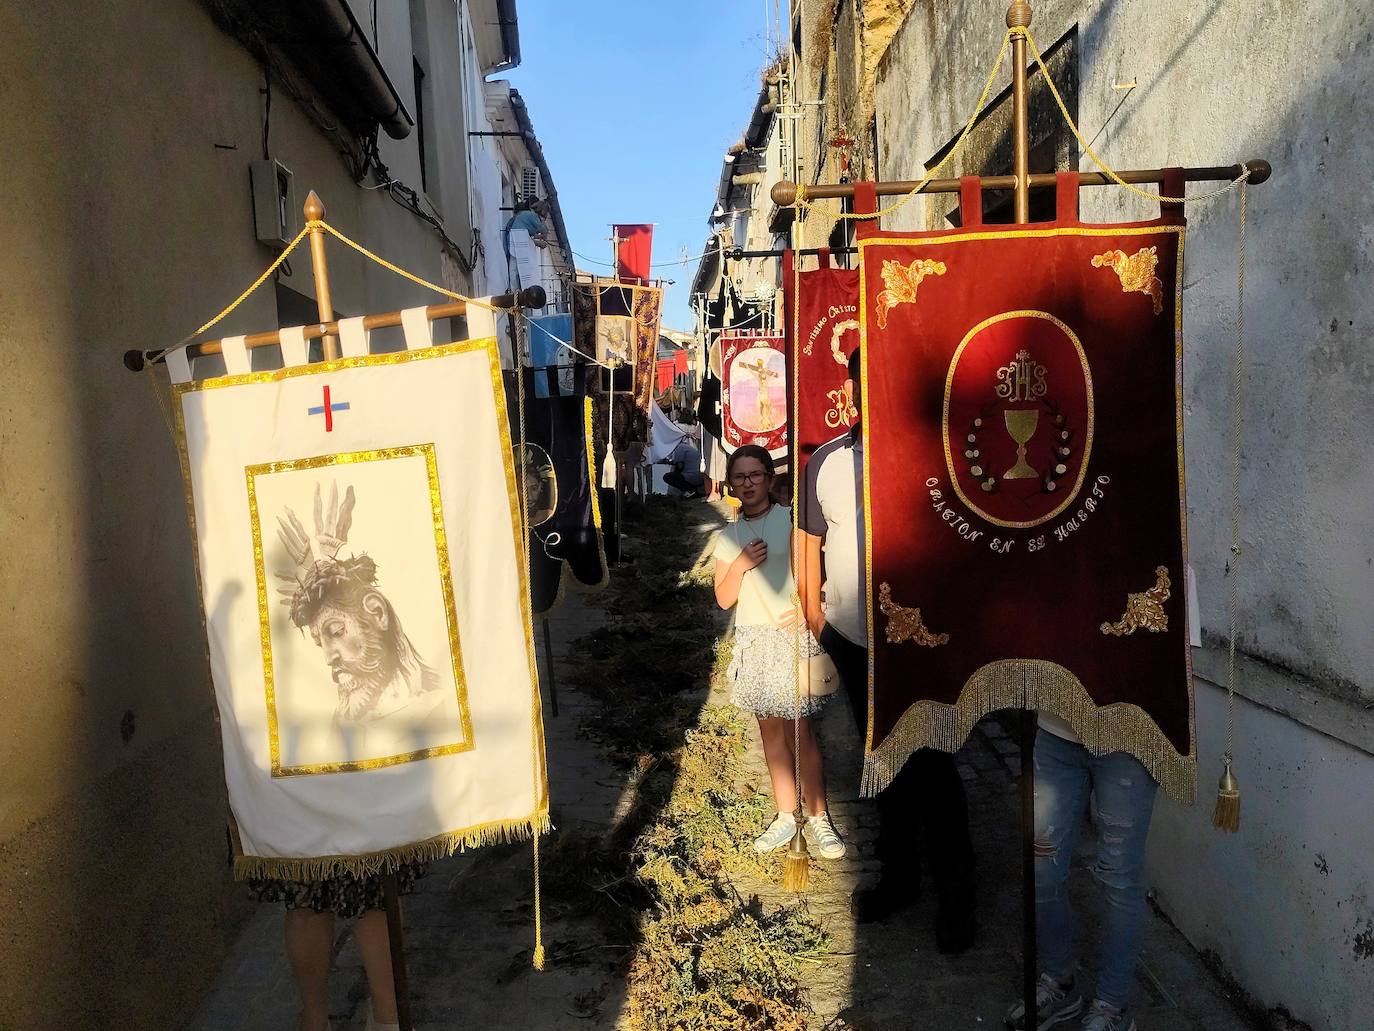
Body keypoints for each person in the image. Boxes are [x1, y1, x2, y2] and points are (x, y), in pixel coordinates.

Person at [796, 348, 977, 954]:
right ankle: (900, 881)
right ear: (849, 389)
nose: (868, 391)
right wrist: (817, 619)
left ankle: (958, 905)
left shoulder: (937, 449)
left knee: (935, 768)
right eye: (859, 381)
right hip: (854, 641)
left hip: (927, 646)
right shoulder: (824, 462)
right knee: (882, 764)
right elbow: (808, 546)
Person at [713, 445, 844, 861]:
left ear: (770, 479)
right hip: (754, 641)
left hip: (789, 638)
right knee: (770, 735)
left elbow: (821, 571)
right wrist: (740, 564)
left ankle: (818, 816)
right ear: (731, 485)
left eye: (755, 475)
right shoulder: (727, 537)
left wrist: (811, 608)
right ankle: (786, 812)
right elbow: (723, 598)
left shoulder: (792, 522)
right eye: (740, 477)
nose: (748, 483)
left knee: (800, 733)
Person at [1003, 714, 1157, 1031]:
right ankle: (1059, 983)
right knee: (1042, 872)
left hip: (1127, 737)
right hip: (1056, 733)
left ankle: (1113, 1005)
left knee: (1120, 879)